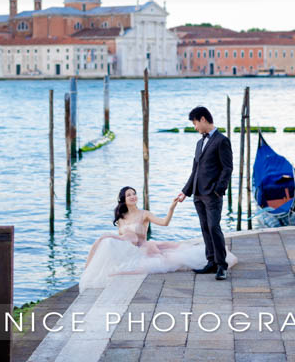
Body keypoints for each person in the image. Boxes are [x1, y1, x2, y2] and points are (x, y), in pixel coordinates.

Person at [79, 186, 237, 290]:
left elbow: (164, 223)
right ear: (123, 199)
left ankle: (215, 259)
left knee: (179, 256)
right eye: (129, 195)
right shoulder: (120, 217)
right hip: (129, 250)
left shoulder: (144, 213)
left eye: (134, 194)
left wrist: (171, 208)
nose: (133, 196)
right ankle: (87, 269)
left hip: (142, 248)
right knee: (105, 241)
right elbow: (123, 239)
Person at [176, 106, 234, 280]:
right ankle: (211, 262)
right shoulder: (199, 143)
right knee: (205, 228)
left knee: (214, 227)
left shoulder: (222, 141)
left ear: (202, 119)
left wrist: (218, 190)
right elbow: (195, 170)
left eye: (194, 123)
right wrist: (185, 192)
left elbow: (227, 168)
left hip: (212, 194)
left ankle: (222, 265)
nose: (195, 127)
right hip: (198, 194)